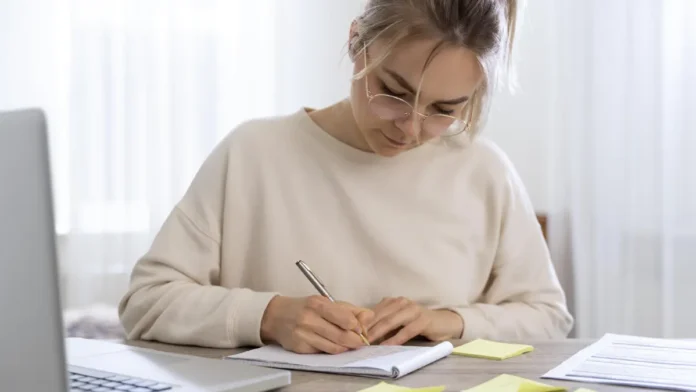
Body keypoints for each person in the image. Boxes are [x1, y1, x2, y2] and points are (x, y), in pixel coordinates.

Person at [119, 0, 573, 355]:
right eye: (394, 93)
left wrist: (448, 321)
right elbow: (146, 302)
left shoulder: (484, 172)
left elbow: (549, 318)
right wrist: (268, 316)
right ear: (356, 43)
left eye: (444, 110)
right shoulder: (253, 153)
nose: (410, 130)